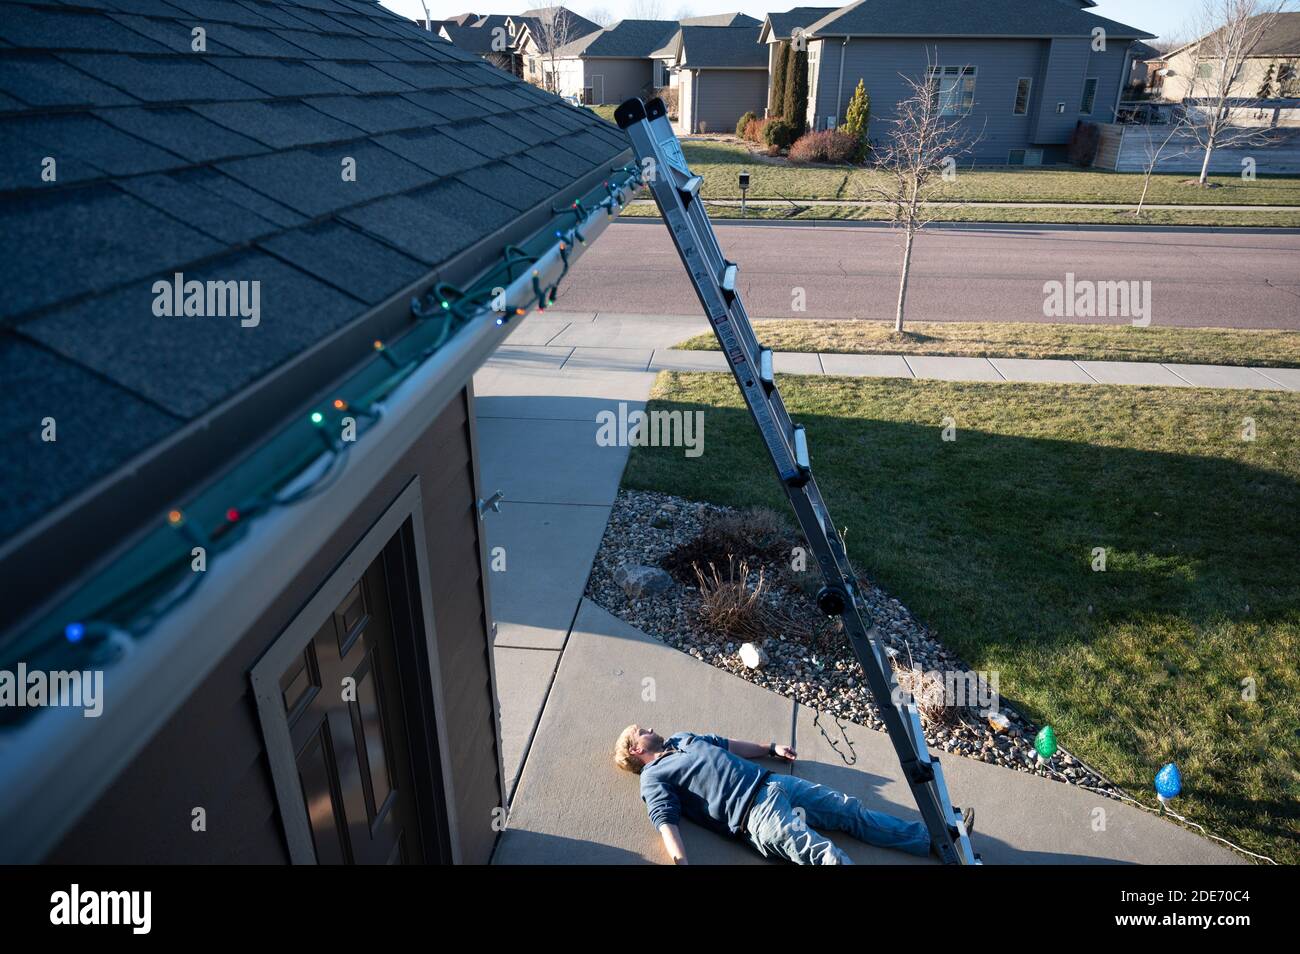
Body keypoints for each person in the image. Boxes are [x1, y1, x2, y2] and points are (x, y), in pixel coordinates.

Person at [614, 724, 973, 865]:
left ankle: (936, 841)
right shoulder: (652, 777)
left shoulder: (682, 738)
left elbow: (728, 745)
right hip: (754, 816)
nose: (649, 727)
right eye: (641, 731)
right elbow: (665, 821)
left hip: (775, 784)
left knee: (851, 811)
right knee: (828, 856)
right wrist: (680, 862)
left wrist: (770, 748)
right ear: (634, 750)